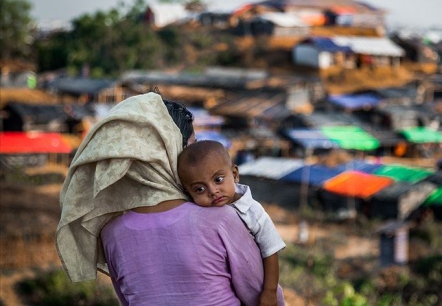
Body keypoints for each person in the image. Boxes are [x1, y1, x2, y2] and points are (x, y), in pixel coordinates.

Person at [56, 92, 285, 305]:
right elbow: (264, 296)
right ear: (165, 150)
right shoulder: (220, 218)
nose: (197, 159)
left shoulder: (111, 234)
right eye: (190, 147)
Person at [178, 140, 286, 306]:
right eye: (200, 189)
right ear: (188, 192)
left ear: (234, 174)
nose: (213, 191)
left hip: (258, 293)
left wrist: (269, 292)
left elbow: (271, 250)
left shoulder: (252, 211)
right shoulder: (197, 214)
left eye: (218, 179)